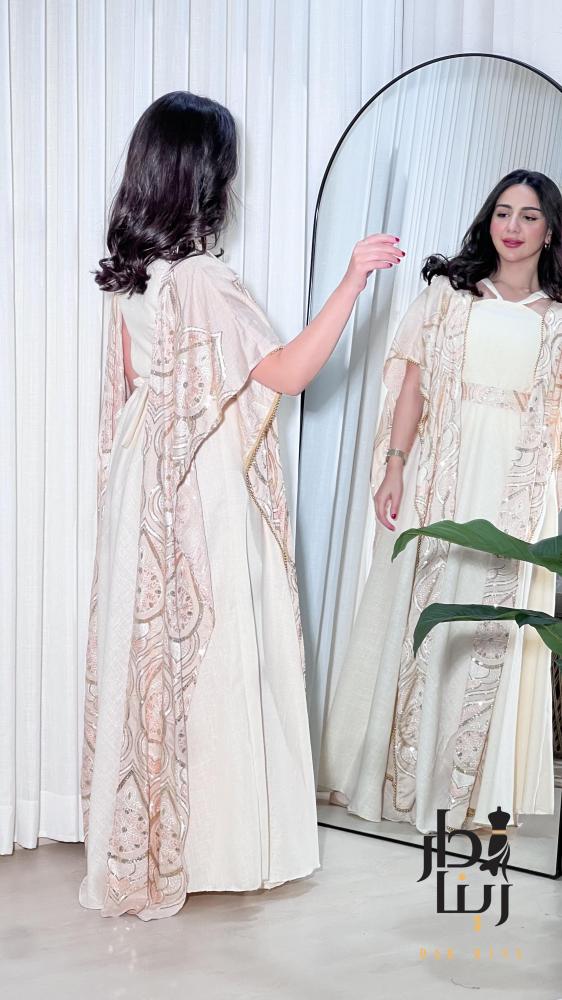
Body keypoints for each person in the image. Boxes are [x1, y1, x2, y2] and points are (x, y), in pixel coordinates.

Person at [80, 90, 404, 920]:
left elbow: (130, 389)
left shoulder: (132, 276)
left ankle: (157, 837)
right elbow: (290, 374)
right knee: (217, 657)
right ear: (205, 176)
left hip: (143, 479)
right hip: (203, 487)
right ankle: (216, 846)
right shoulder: (204, 279)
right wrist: (351, 283)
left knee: (156, 659)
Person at [319, 169, 562, 834]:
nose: (512, 227)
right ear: (488, 219)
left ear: (549, 230)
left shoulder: (558, 317)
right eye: (503, 212)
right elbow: (413, 390)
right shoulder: (449, 295)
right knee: (423, 612)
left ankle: (473, 793)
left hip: (518, 489)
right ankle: (395, 776)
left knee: (490, 627)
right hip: (442, 475)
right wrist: (395, 466)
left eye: (529, 216)